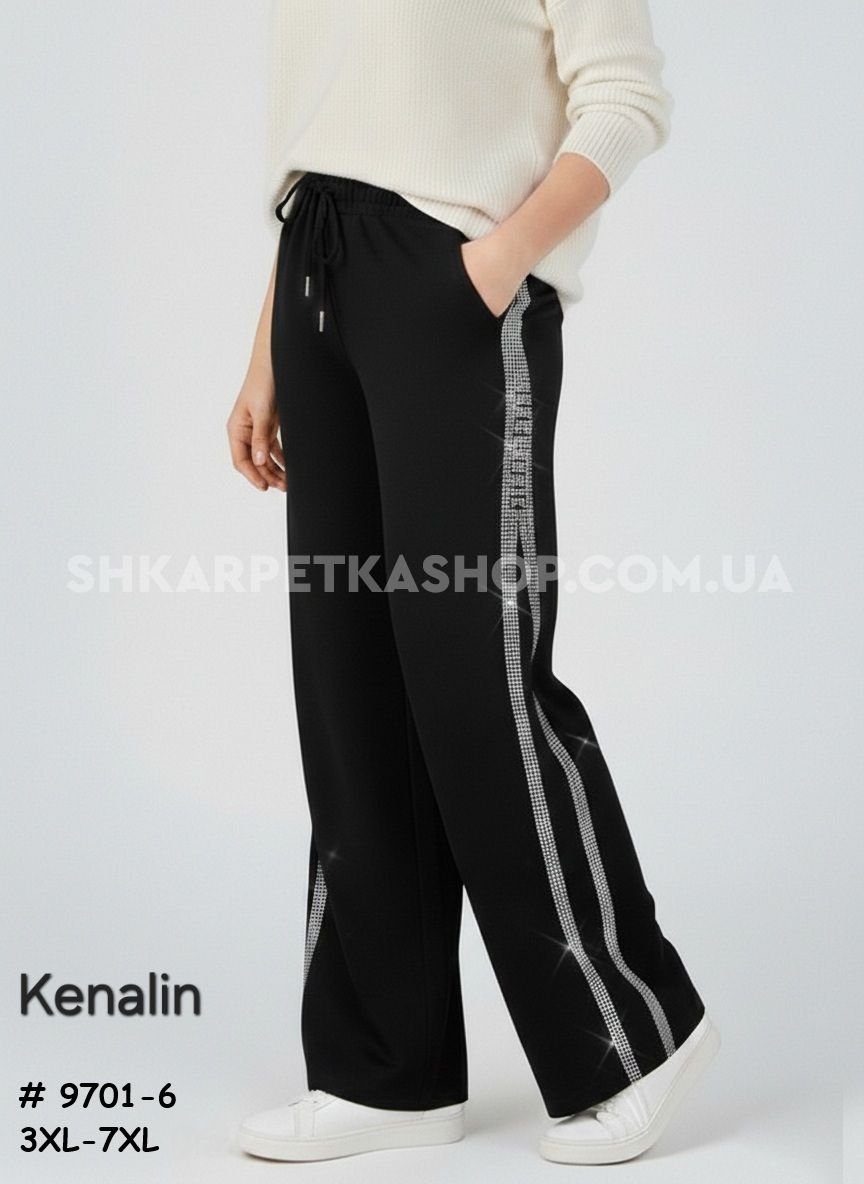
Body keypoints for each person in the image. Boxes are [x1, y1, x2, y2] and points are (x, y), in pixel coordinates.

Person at [229, 0, 719, 1166]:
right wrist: (268, 347)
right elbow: (329, 127)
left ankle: (632, 1037)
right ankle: (386, 1072)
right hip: (316, 269)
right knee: (350, 685)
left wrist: (495, 266)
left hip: (452, 276)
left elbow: (627, 99)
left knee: (475, 680)